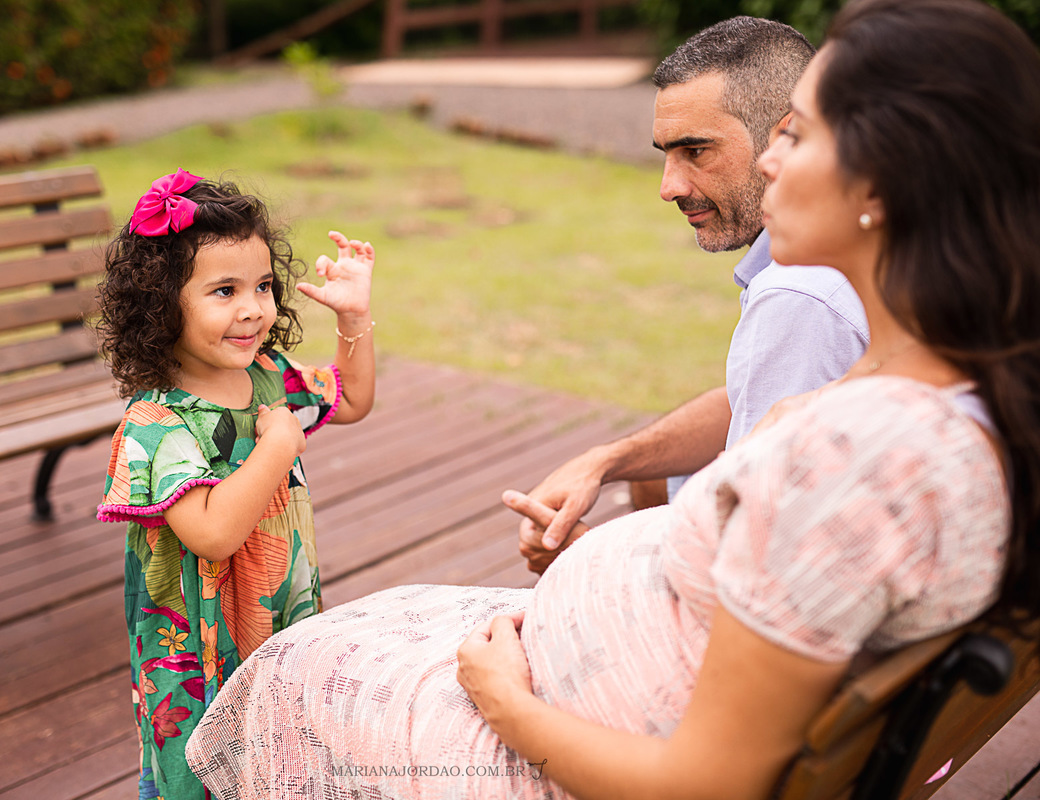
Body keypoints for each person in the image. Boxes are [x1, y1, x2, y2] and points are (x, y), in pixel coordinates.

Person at [183, 1, 1040, 797]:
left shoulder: (852, 452)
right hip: (625, 667)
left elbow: (708, 785)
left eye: (799, 133)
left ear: (884, 184)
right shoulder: (956, 377)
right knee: (360, 631)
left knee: (297, 675)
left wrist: (503, 699)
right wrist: (618, 481)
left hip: (573, 727)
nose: (772, 161)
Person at [518, 16, 869, 573]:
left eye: (696, 151)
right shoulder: (856, 239)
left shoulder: (800, 295)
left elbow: (756, 559)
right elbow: (753, 397)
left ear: (788, 138)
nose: (668, 187)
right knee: (652, 480)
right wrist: (606, 461)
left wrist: (584, 559)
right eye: (666, 153)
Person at [94, 169, 377, 799]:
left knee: (281, 757)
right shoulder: (156, 423)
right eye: (225, 290)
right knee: (203, 771)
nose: (253, 308)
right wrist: (277, 444)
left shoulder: (268, 374)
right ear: (161, 303)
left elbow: (352, 398)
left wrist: (354, 315)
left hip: (279, 614)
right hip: (196, 648)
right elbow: (213, 533)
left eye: (263, 286)